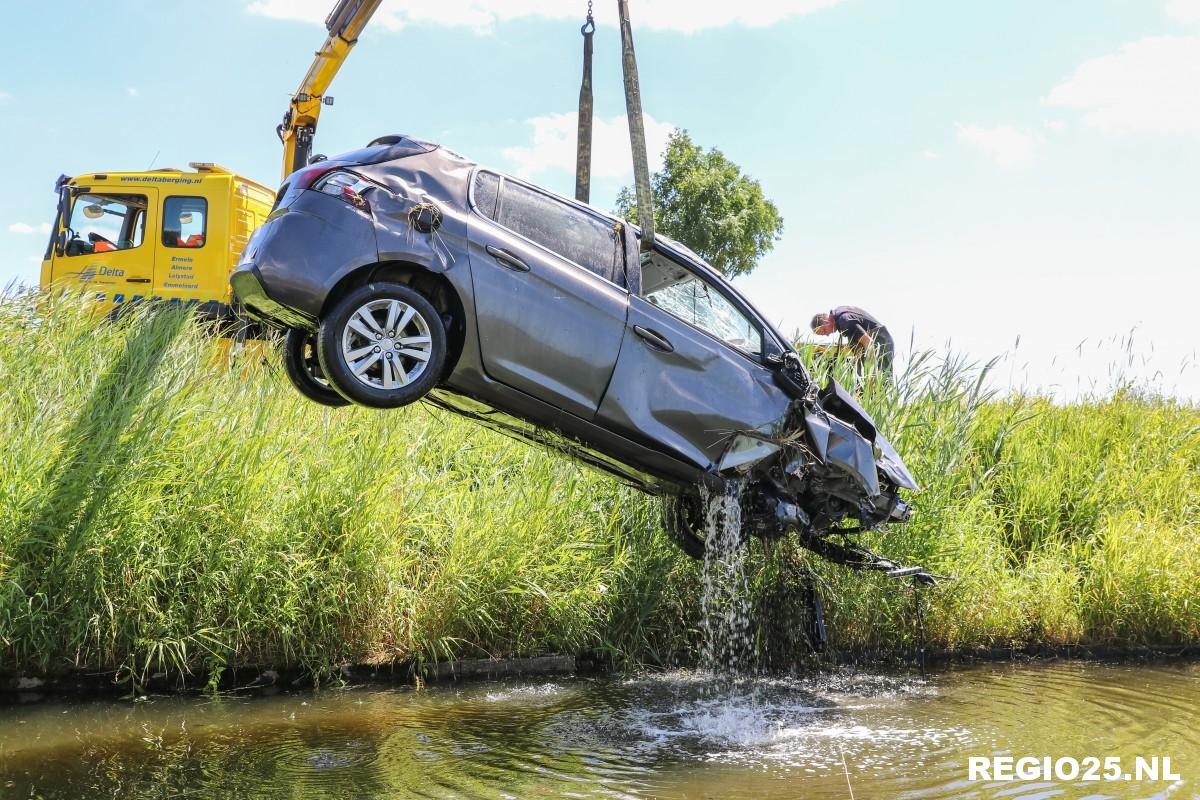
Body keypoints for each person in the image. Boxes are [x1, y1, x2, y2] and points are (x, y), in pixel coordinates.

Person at [810, 305, 894, 376]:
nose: (827, 335)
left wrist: (872, 369)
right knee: (860, 376)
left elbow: (868, 342)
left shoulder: (844, 320)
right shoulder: (839, 317)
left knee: (881, 376)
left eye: (824, 331)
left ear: (825, 321)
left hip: (879, 342)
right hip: (872, 342)